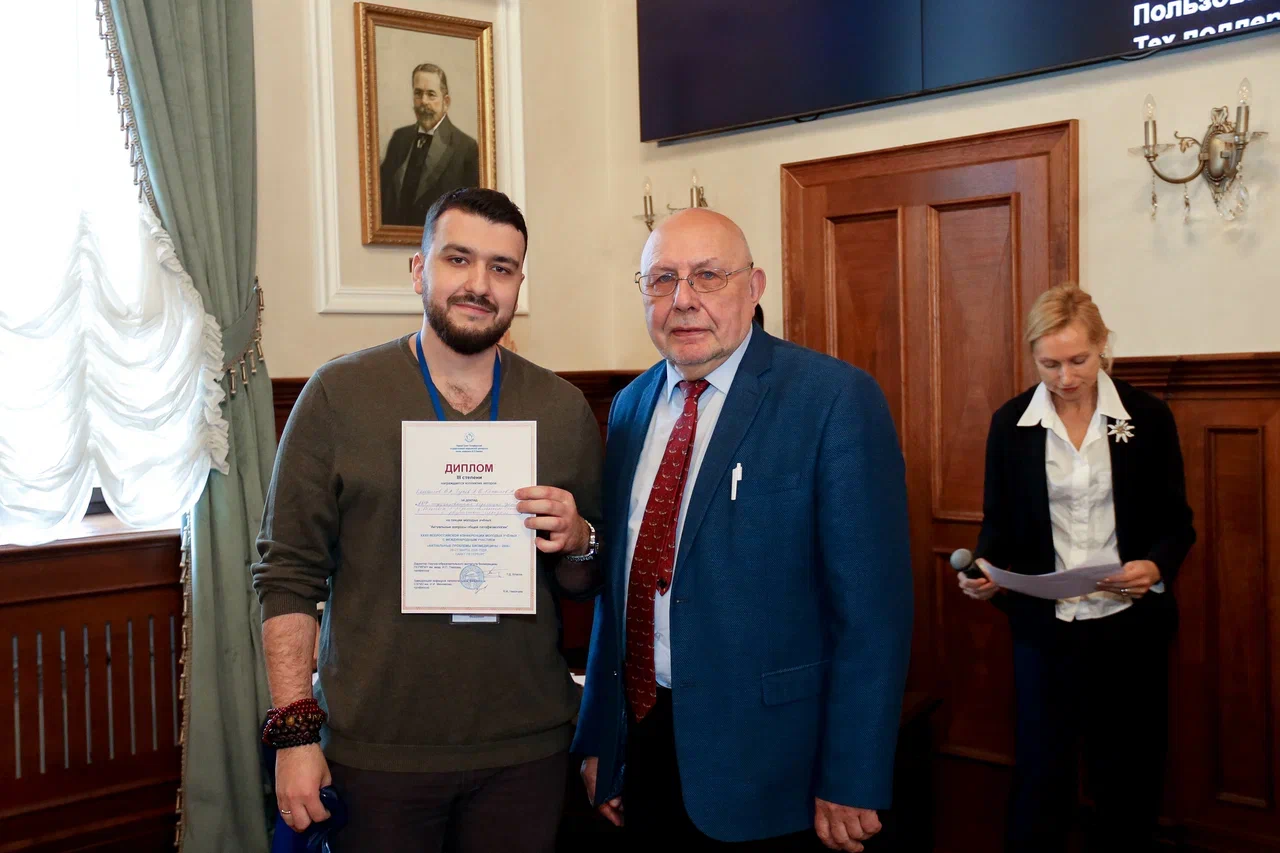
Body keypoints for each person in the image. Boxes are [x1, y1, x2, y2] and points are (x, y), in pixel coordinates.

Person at [252, 187, 604, 852]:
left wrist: (581, 539)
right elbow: (287, 574)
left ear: (519, 283)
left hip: (526, 750)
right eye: (458, 259)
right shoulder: (337, 397)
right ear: (419, 270)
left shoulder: (561, 409)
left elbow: (587, 581)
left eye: (501, 267)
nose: (479, 284)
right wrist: (295, 737)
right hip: (376, 751)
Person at [572, 208, 913, 851]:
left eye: (708, 276)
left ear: (754, 287)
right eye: (662, 279)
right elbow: (617, 593)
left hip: (774, 765)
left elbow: (873, 615)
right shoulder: (630, 407)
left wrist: (854, 773)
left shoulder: (832, 400)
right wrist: (602, 739)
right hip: (646, 740)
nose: (683, 299)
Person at [957, 283, 1195, 853]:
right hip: (1047, 633)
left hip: (1129, 627)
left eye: (1079, 361)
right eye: (1050, 364)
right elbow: (998, 526)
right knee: (1042, 776)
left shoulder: (1148, 417)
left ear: (1103, 345)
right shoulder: (1011, 423)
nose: (1065, 377)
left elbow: (1177, 522)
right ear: (1032, 356)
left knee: (1128, 776)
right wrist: (984, 571)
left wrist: (1154, 565)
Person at [380, 63, 481, 227]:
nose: (423, 101)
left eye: (431, 94)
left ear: (446, 101)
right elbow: (382, 195)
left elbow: (471, 213)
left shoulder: (465, 147)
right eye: (418, 93)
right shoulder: (399, 138)